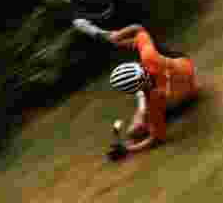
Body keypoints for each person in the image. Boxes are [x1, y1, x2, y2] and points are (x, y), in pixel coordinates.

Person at [73, 18, 200, 160]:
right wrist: (118, 36)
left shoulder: (153, 101)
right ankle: (109, 36)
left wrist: (127, 148)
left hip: (185, 97)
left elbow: (157, 138)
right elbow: (138, 28)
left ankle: (109, 37)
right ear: (138, 65)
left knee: (134, 129)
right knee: (132, 42)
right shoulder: (149, 57)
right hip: (185, 67)